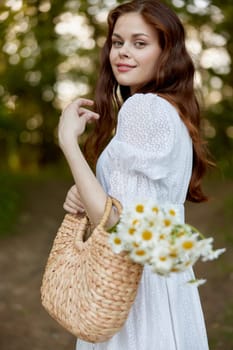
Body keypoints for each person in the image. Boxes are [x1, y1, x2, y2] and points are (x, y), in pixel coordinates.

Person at [58, 1, 211, 349]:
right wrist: (87, 187)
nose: (123, 53)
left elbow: (114, 222)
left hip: (133, 288)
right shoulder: (170, 109)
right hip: (163, 280)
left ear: (165, 52)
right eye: (117, 42)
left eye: (139, 43)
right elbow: (134, 206)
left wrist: (68, 142)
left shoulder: (143, 109)